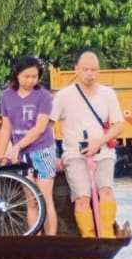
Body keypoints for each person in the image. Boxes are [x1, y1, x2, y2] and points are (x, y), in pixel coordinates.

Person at [51, 50, 124, 238]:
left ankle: (107, 234)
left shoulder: (108, 94)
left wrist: (99, 142)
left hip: (104, 151)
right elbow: (48, 125)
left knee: (106, 190)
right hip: (74, 154)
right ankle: (88, 236)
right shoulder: (64, 95)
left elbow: (119, 125)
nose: (90, 74)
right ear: (76, 70)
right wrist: (54, 154)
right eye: (86, 69)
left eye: (94, 70)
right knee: (82, 197)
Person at [0, 56, 58, 235]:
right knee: (30, 201)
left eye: (34, 76)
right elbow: (6, 128)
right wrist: (0, 155)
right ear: (17, 75)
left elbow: (40, 128)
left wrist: (17, 146)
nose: (30, 81)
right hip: (22, 155)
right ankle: (35, 239)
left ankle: (51, 240)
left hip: (42, 150)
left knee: (45, 199)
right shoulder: (7, 96)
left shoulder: (43, 96)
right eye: (26, 76)